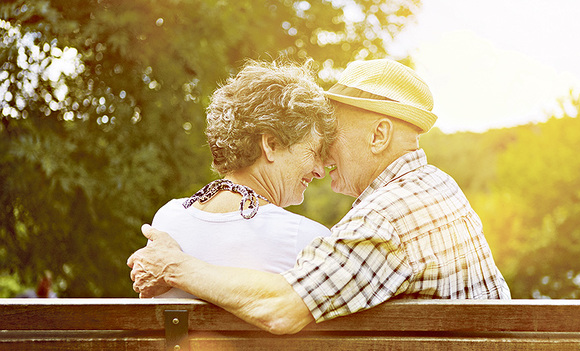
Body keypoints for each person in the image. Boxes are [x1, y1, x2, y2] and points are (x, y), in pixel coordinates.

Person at [128, 59, 510, 334]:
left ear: (378, 135)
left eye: (332, 136)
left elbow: (281, 309)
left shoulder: (386, 217)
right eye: (317, 145)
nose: (325, 158)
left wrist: (174, 266)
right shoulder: (435, 187)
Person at [145, 60, 336, 298]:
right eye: (314, 152)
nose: (320, 170)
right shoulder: (307, 240)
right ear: (271, 144)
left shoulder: (168, 220)